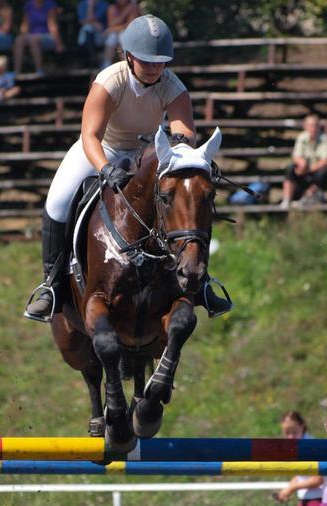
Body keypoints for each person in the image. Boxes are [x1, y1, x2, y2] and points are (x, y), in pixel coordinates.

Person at [24, 15, 233, 322]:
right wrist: (105, 168)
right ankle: (51, 286)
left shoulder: (174, 87)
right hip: (101, 149)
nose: (154, 68)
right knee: (57, 202)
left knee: (186, 201)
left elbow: (184, 135)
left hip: (146, 154)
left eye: (159, 62)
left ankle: (200, 284)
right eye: (146, 61)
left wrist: (183, 153)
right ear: (129, 56)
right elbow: (90, 135)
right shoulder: (110, 81)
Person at [281, 114, 327, 208]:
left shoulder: (325, 139)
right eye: (310, 125)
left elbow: (326, 160)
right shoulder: (302, 137)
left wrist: (309, 170)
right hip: (306, 169)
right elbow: (296, 155)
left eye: (315, 125)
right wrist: (301, 163)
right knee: (291, 168)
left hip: (319, 169)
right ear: (305, 126)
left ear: (319, 126)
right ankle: (286, 200)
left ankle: (307, 198)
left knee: (322, 173)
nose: (313, 127)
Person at [14, 0, 65, 77]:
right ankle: (17, 72)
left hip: (47, 36)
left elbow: (52, 24)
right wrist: (23, 34)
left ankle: (39, 70)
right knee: (19, 40)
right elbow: (25, 23)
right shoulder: (28, 5)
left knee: (33, 40)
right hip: (31, 36)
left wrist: (58, 43)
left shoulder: (50, 4)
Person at [101, 0, 140, 69]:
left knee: (122, 35)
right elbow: (111, 24)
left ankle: (127, 63)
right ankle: (106, 64)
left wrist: (114, 28)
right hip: (115, 36)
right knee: (112, 37)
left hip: (129, 36)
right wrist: (125, 13)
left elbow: (130, 26)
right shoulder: (112, 8)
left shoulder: (133, 8)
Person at [77, 0, 109, 67]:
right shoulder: (82, 4)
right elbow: (82, 21)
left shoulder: (103, 4)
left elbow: (92, 18)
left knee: (87, 28)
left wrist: (91, 6)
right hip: (88, 34)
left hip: (101, 34)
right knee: (87, 28)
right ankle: (92, 57)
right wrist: (90, 6)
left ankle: (93, 58)